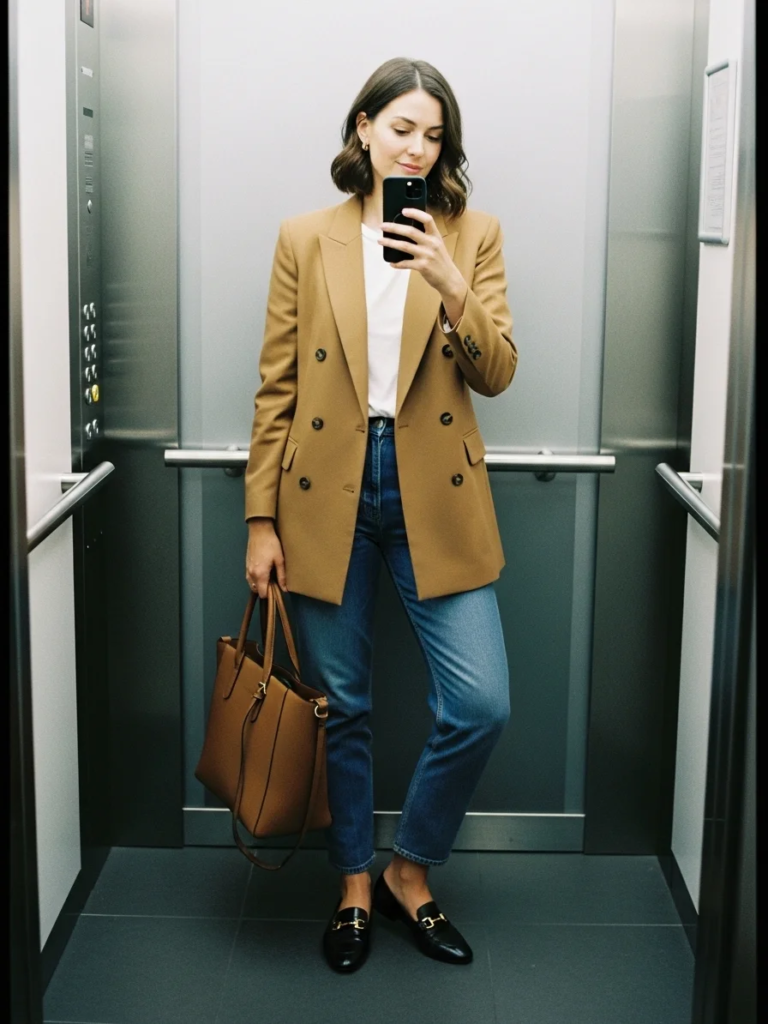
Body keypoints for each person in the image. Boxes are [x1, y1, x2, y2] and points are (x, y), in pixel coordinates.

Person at [244, 56, 517, 974]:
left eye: (434, 135)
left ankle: (412, 867)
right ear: (363, 127)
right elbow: (276, 387)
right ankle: (355, 882)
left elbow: (497, 371)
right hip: (323, 488)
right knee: (344, 705)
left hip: (433, 488)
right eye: (402, 128)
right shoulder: (305, 237)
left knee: (480, 702)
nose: (417, 149)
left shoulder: (471, 234)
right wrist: (259, 521)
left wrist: (448, 279)